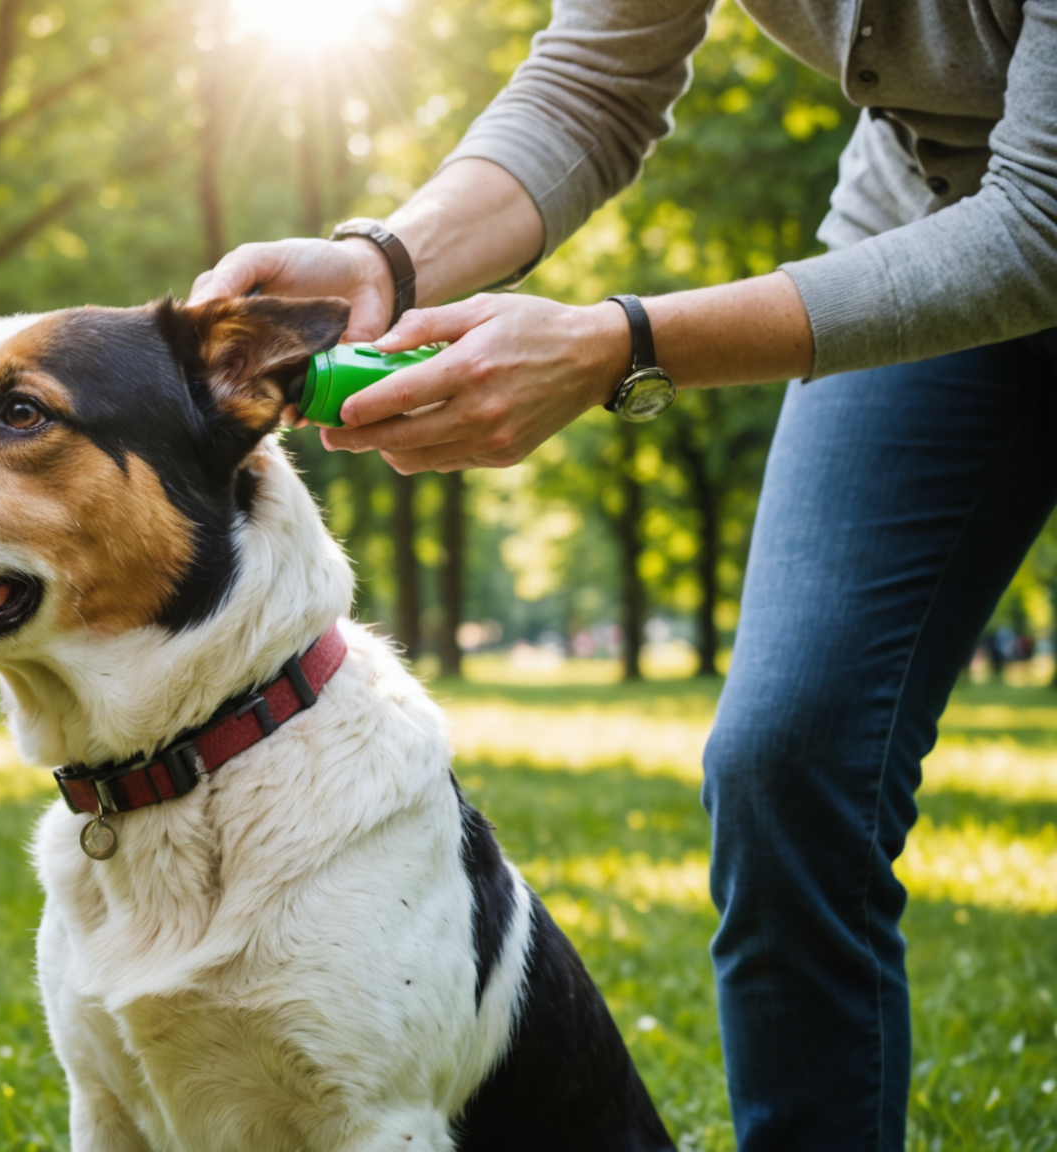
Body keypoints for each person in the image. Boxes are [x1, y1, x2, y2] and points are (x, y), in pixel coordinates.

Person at [187, 3, 1057, 1150]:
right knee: (789, 757)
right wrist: (384, 260)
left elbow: (1039, 228)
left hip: (1028, 226)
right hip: (913, 232)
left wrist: (624, 341)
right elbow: (596, 82)